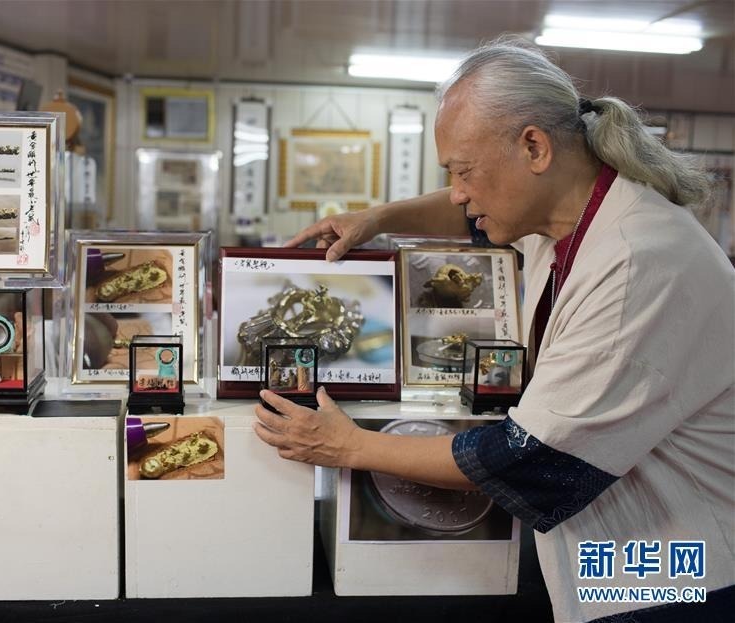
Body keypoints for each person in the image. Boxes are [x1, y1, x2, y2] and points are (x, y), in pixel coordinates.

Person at [253, 39, 734, 623]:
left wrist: (349, 446)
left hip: (677, 578)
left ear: (534, 146)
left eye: (464, 170)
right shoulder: (563, 213)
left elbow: (531, 459)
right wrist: (379, 218)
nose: (458, 191)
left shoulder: (639, 261)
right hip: (624, 559)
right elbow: (466, 212)